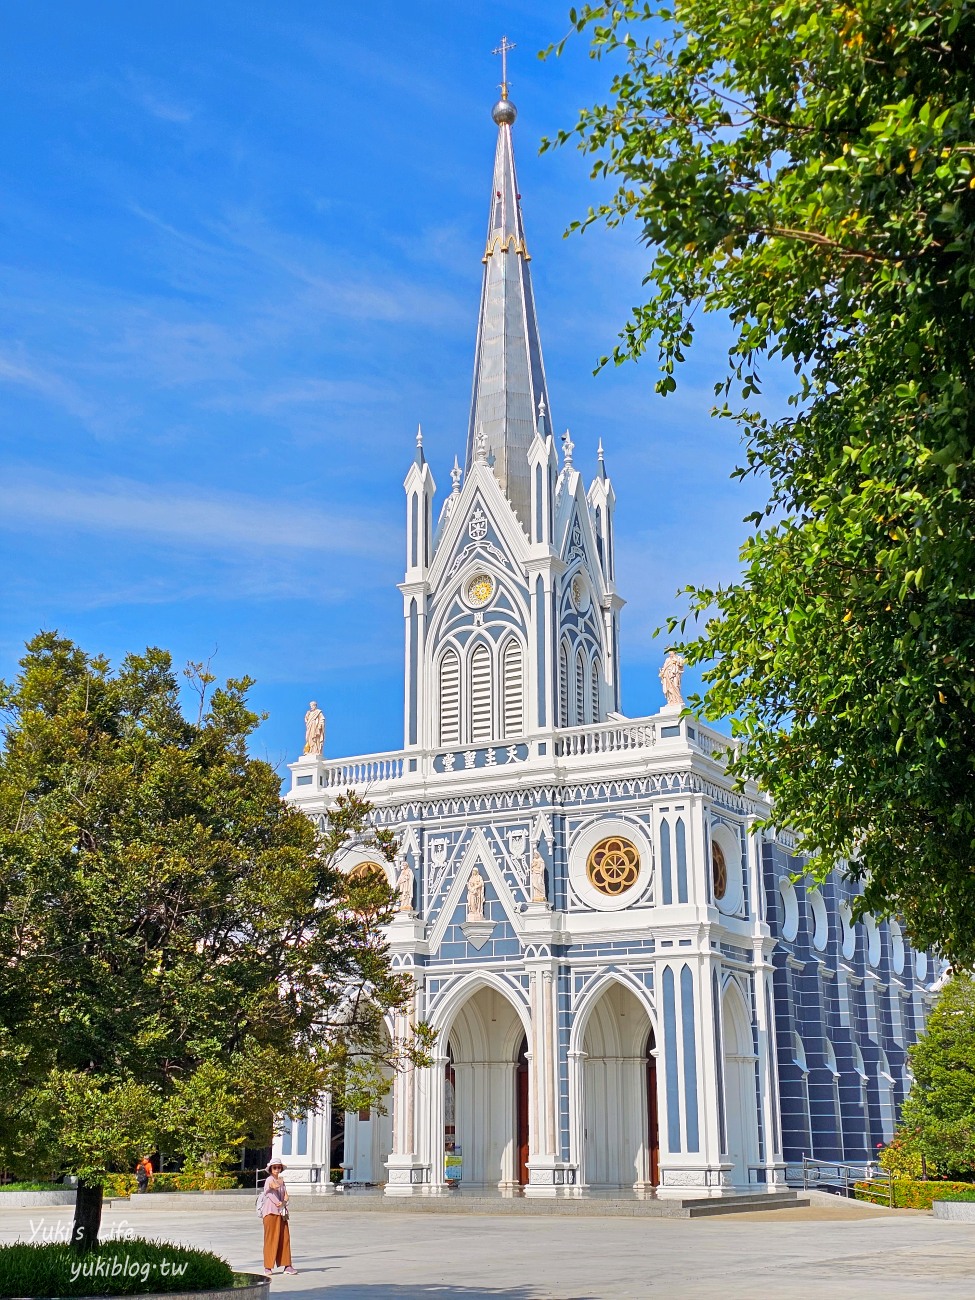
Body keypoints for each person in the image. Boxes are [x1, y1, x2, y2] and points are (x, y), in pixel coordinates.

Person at [259, 1160, 297, 1277]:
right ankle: (268, 1266)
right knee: (271, 1239)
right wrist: (279, 1203)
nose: (277, 1169)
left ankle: (287, 1265)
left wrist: (284, 1202)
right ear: (270, 1169)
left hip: (281, 1213)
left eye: (278, 1167)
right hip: (270, 1213)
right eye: (274, 1167)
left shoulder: (281, 1180)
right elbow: (269, 1193)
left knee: (284, 1238)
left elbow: (285, 1194)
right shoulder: (269, 1180)